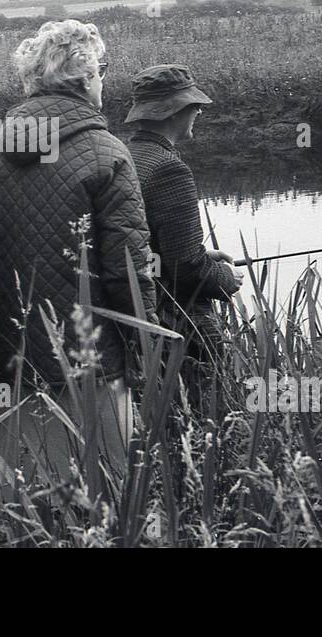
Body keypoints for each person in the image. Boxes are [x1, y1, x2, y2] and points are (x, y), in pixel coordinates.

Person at [0, 19, 158, 486]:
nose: (104, 80)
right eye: (103, 69)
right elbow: (128, 270)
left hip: (20, 362)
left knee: (44, 494)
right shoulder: (106, 152)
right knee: (118, 488)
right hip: (94, 358)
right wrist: (145, 345)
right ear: (86, 78)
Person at [125, 65, 241, 400]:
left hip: (140, 312)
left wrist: (203, 256)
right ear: (175, 111)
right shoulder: (168, 168)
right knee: (205, 414)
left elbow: (150, 247)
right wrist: (224, 278)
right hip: (177, 320)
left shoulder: (126, 155)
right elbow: (185, 267)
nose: (199, 111)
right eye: (194, 105)